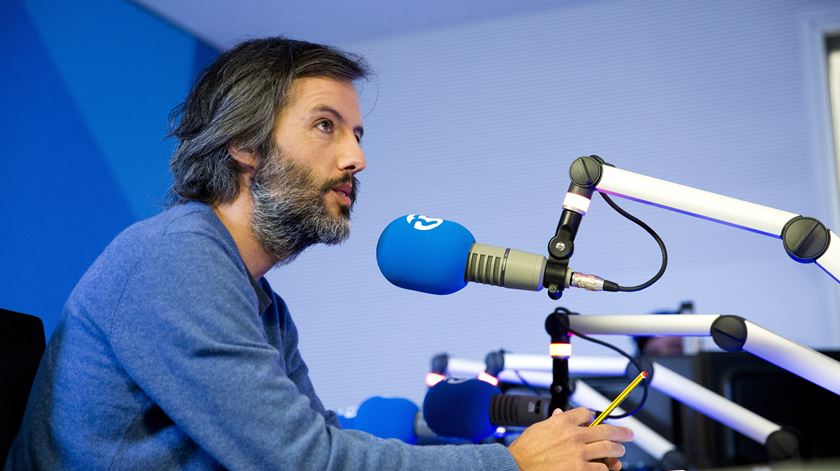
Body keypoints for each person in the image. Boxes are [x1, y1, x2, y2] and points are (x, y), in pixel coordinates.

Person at [6, 37, 633, 470]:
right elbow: (303, 463)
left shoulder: (261, 303)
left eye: (357, 134)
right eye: (326, 125)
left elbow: (315, 440)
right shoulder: (174, 260)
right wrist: (512, 465)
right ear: (245, 145)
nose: (356, 157)